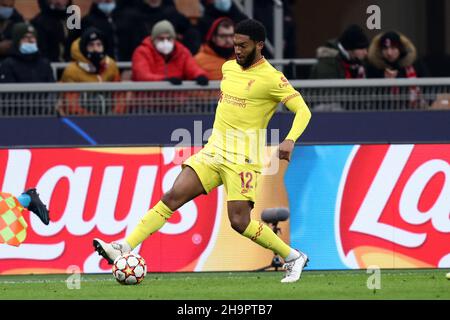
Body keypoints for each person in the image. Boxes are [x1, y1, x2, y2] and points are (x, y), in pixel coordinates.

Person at [94, 19, 312, 283]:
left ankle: (293, 257)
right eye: (235, 45)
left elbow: (303, 110)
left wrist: (289, 140)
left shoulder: (272, 78)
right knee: (172, 196)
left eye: (244, 46)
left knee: (240, 222)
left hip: (243, 159)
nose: (238, 51)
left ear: (260, 45)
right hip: (214, 150)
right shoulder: (228, 67)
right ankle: (124, 246)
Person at [60, 27, 121, 115]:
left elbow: (119, 96)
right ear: (84, 48)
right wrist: (93, 118)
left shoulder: (111, 65)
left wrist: (114, 114)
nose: (95, 49)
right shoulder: (72, 70)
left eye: (99, 45)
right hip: (82, 119)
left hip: (109, 116)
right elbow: (71, 105)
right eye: (91, 45)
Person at [132, 19, 208, 85]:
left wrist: (200, 75)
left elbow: (193, 68)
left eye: (169, 38)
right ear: (153, 39)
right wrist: (164, 80)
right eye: (161, 39)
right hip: (148, 98)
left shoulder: (182, 52)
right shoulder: (142, 52)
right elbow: (142, 75)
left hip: (175, 99)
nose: (165, 42)